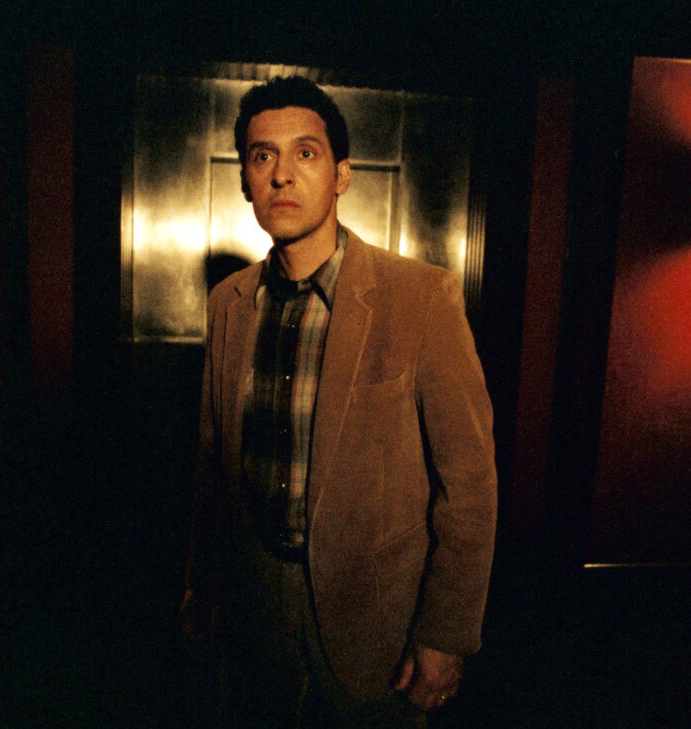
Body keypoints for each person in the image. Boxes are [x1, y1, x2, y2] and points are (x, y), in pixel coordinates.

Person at [182, 75, 497, 728]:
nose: (282, 174)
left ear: (342, 175)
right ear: (245, 181)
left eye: (306, 152)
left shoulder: (421, 298)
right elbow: (214, 464)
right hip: (253, 605)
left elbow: (469, 482)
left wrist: (445, 632)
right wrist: (204, 582)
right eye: (263, 156)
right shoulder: (229, 302)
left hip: (375, 622)